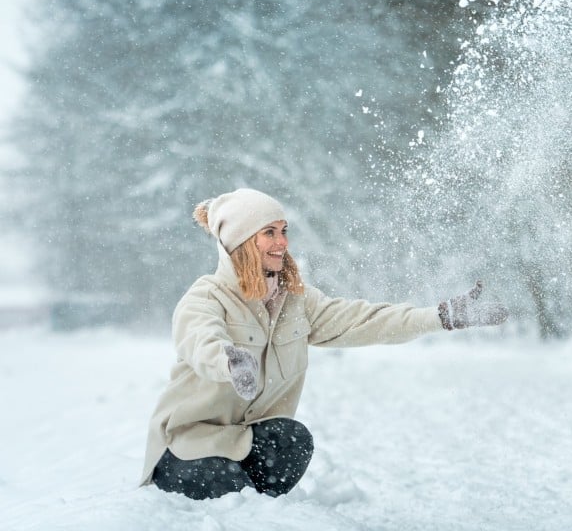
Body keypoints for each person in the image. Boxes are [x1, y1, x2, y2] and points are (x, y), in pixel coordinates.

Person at [141, 188, 508, 500]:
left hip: (241, 440)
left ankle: (255, 504)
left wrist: (440, 316)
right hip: (188, 445)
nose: (282, 242)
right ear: (241, 241)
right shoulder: (206, 296)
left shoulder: (297, 302)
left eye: (283, 230)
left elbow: (364, 319)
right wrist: (230, 361)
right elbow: (200, 338)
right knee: (227, 491)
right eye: (269, 232)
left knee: (292, 439)